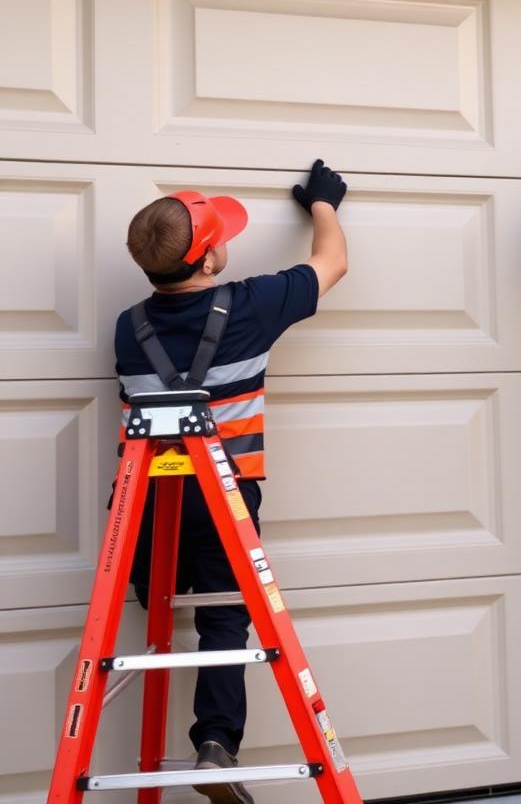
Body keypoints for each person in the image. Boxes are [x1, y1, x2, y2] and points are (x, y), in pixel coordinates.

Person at [113, 160, 349, 804]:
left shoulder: (127, 327)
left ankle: (147, 588)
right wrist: (323, 206)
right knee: (224, 621)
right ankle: (215, 744)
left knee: (157, 602)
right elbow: (332, 263)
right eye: (221, 239)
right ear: (210, 258)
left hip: (144, 502)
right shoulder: (249, 305)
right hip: (223, 490)